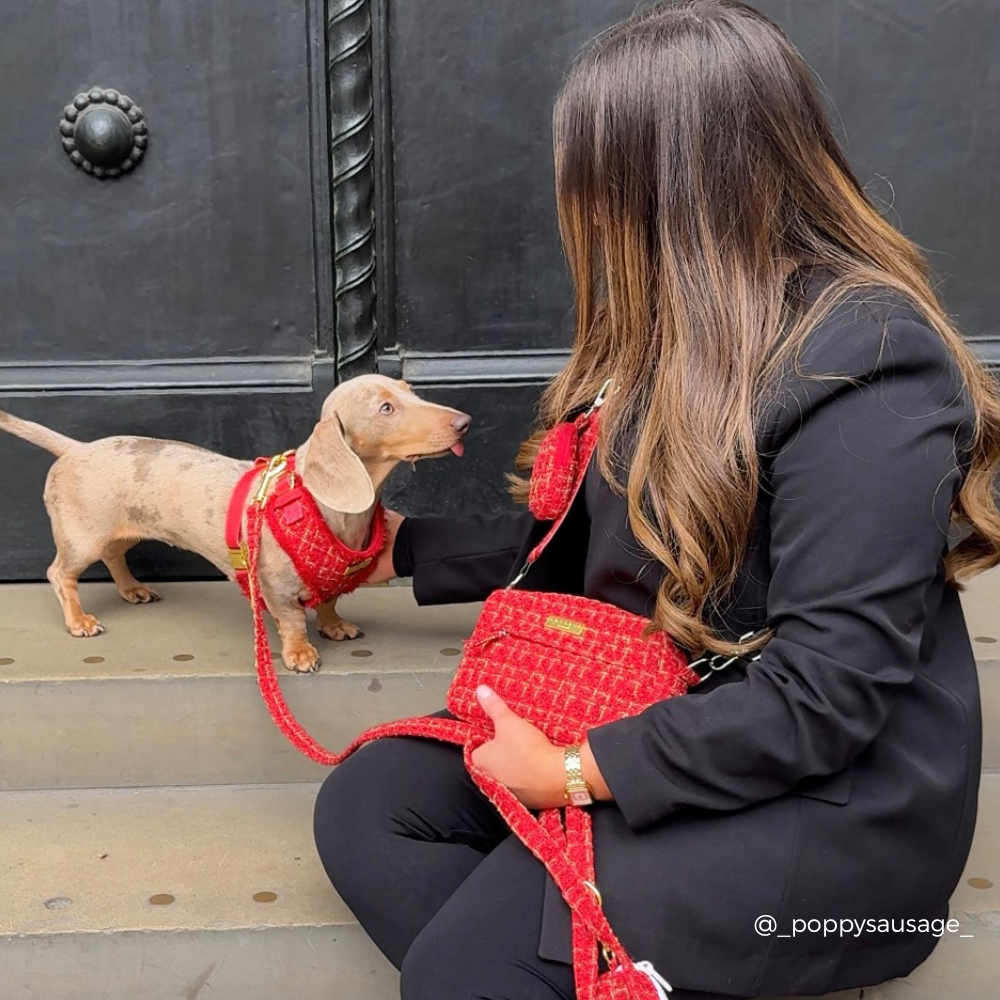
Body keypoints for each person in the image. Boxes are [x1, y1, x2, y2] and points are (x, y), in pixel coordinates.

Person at [313, 2, 1000, 997]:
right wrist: (399, 552)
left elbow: (828, 694)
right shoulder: (681, 336)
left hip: (834, 811)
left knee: (475, 959)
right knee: (370, 804)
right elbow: (600, 534)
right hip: (665, 711)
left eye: (595, 182)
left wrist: (573, 775)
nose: (579, 211)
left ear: (672, 187)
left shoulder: (871, 356)